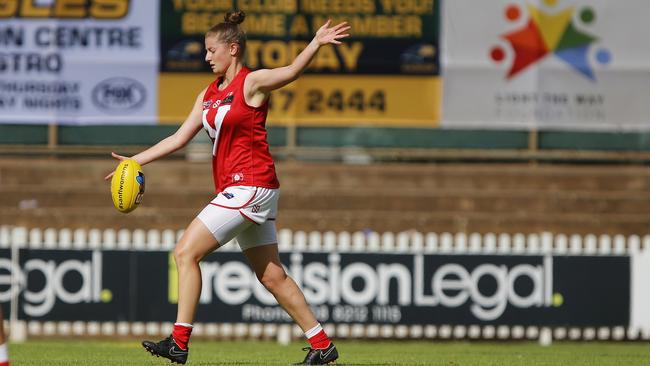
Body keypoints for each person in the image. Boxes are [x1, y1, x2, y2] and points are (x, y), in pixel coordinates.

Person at [105, 10, 350, 365]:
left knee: (185, 253)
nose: (206, 57)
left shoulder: (251, 83)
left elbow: (291, 72)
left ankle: (179, 341)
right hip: (247, 189)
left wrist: (315, 42)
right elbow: (178, 138)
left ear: (233, 49)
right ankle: (322, 344)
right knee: (272, 275)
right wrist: (134, 161)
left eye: (210, 50)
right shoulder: (207, 94)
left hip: (249, 186)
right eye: (205, 51)